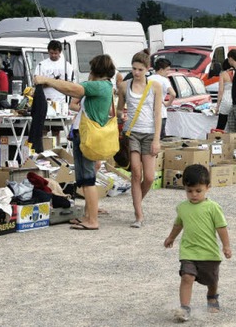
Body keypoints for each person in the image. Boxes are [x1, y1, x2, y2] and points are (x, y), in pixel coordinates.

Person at [34, 54, 116, 230]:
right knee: (84, 180)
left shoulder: (99, 85)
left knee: (87, 181)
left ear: (96, 70)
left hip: (87, 137)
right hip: (84, 135)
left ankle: (92, 220)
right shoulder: (105, 85)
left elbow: (73, 89)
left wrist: (47, 80)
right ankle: (87, 216)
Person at [163, 164, 232, 322]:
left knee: (212, 280)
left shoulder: (213, 208)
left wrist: (226, 246)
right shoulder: (182, 208)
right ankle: (184, 309)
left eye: (198, 191)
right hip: (188, 251)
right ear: (185, 188)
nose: (194, 194)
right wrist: (171, 238)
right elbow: (178, 224)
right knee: (186, 277)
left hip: (209, 253)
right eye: (189, 191)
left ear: (208, 187)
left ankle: (212, 295)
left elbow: (222, 228)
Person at [116, 51, 163, 228]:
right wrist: (121, 115)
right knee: (136, 172)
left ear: (147, 69)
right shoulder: (124, 86)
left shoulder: (155, 86)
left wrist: (157, 139)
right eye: (134, 69)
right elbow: (119, 109)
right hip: (132, 133)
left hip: (149, 133)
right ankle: (139, 214)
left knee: (149, 177)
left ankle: (137, 202)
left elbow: (158, 114)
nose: (136, 72)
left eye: (140, 69)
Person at [34, 40, 76, 142]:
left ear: (60, 52)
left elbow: (70, 84)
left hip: (59, 102)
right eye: (51, 53)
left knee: (56, 130)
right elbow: (36, 82)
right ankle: (43, 149)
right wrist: (52, 82)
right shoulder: (41, 65)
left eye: (55, 53)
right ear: (48, 52)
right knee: (43, 129)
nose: (53, 55)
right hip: (44, 101)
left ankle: (57, 149)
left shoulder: (66, 66)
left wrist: (54, 82)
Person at [148, 58, 176, 139]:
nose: (168, 72)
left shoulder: (148, 79)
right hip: (161, 113)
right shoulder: (164, 80)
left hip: (148, 113)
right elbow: (173, 94)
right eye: (167, 70)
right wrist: (168, 103)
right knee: (159, 139)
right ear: (161, 69)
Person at [214, 59, 233, 131]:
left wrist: (217, 107)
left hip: (226, 100)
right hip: (235, 100)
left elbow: (221, 91)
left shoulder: (223, 74)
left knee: (221, 126)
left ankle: (217, 139)